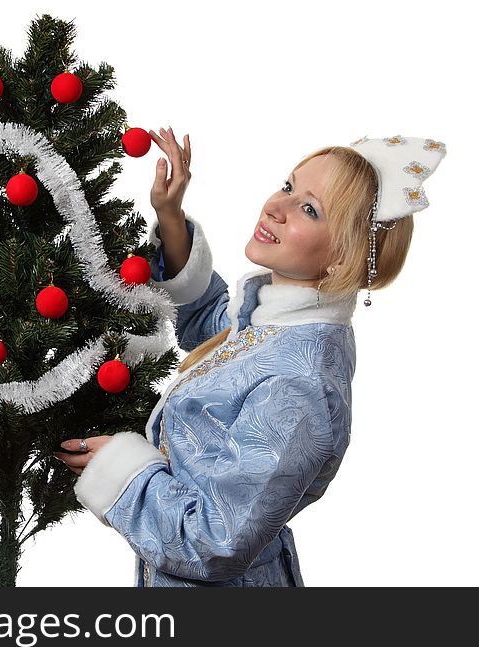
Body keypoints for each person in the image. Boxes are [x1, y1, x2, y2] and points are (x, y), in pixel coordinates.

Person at [53, 127, 446, 587]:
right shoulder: (282, 315)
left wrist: (120, 470)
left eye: (308, 209)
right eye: (288, 186)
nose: (274, 207)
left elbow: (214, 542)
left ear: (342, 257)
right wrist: (171, 215)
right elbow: (215, 332)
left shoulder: (298, 384)